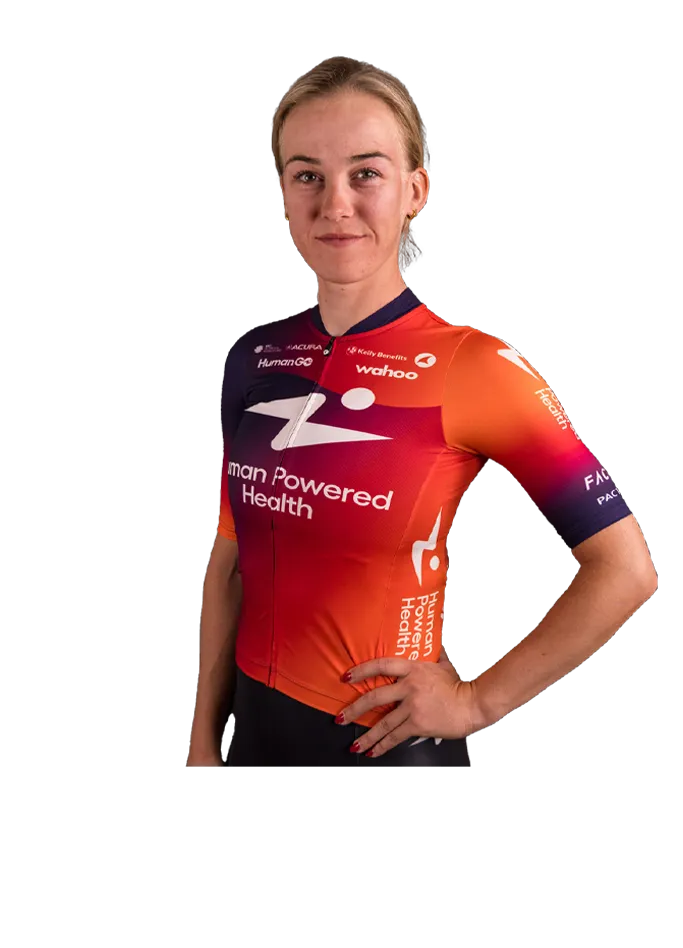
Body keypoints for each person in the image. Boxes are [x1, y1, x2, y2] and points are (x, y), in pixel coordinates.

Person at [186, 56, 657, 769]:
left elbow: (624, 568)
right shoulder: (255, 356)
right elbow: (230, 561)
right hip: (248, 734)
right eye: (307, 175)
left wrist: (476, 703)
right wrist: (201, 739)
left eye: (365, 173)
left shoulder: (475, 367)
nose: (335, 204)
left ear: (415, 190)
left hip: (382, 744)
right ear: (282, 192)